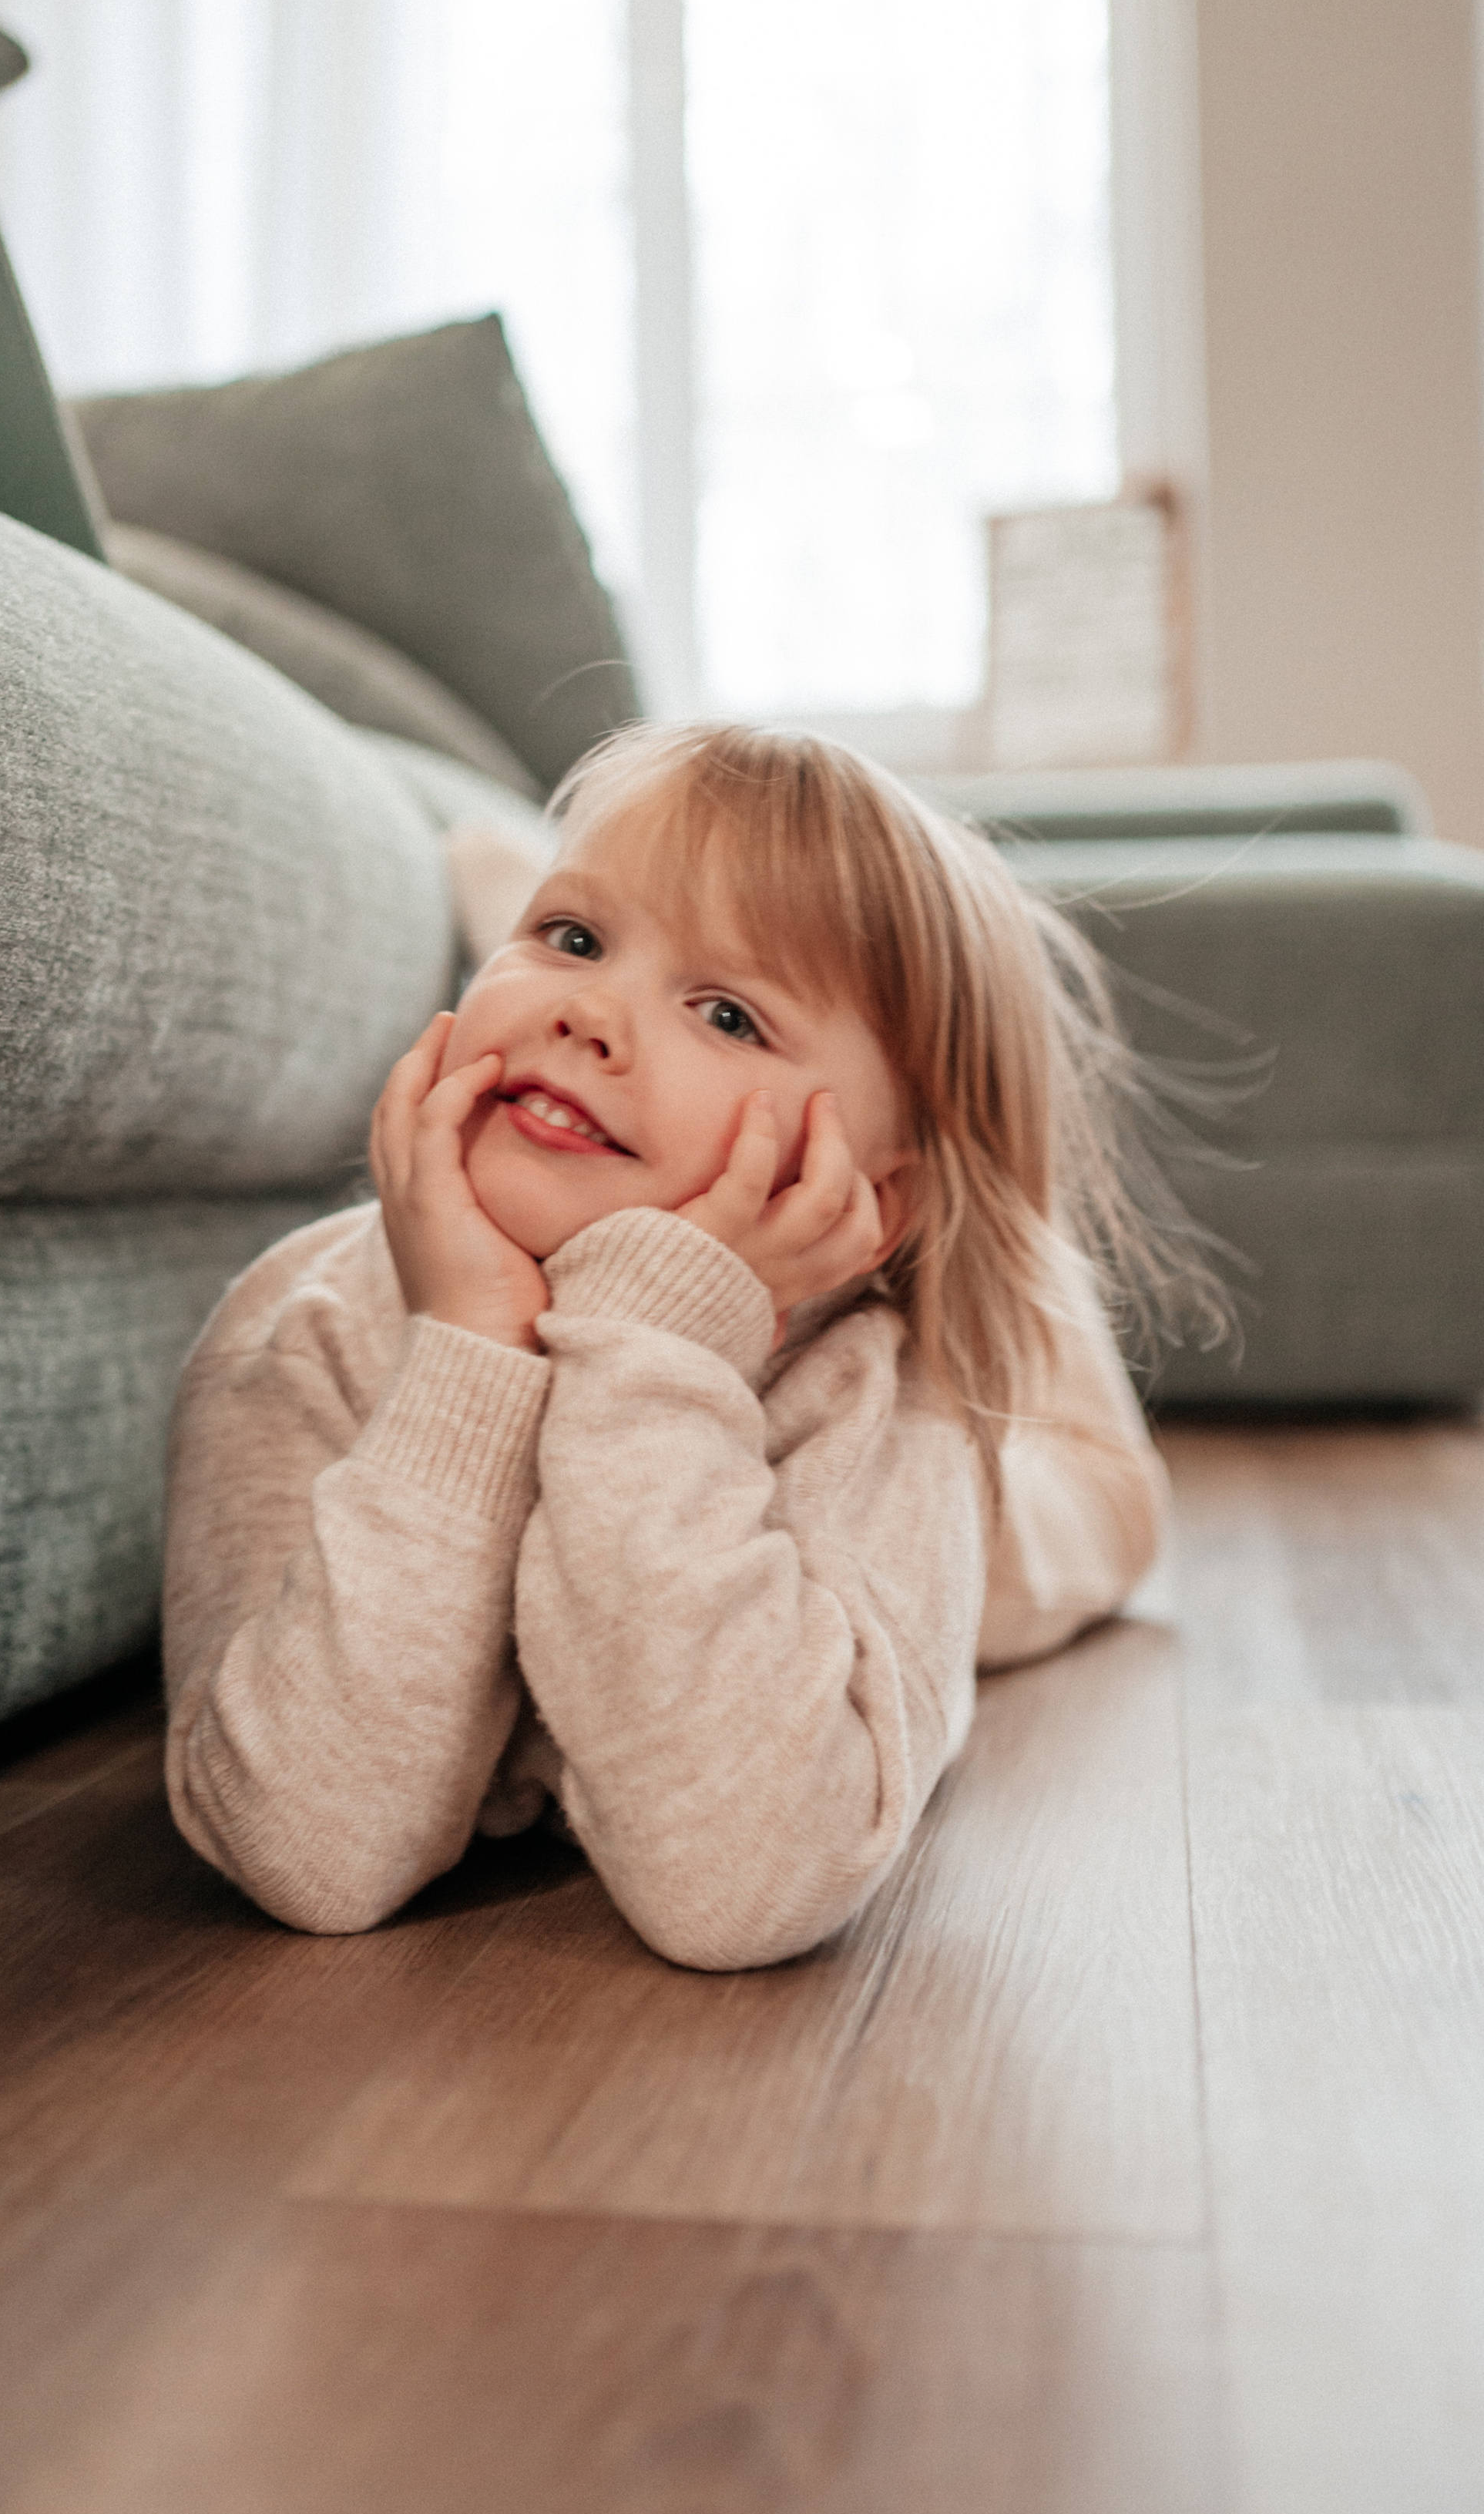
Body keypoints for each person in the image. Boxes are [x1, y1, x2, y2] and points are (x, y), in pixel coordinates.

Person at [160, 723, 1210, 1972]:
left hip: (999, 1513)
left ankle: (1020, 1262)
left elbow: (745, 1886)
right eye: (571, 938)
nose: (591, 1014)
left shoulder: (882, 1387)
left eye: (727, 1013)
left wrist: (656, 1345)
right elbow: (309, 1851)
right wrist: (469, 1355)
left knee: (1087, 1492)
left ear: (867, 1193)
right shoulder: (310, 1324)